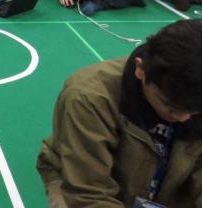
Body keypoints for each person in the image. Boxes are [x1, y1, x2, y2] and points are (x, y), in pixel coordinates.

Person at [38, 19, 202, 207]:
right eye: (170, 106)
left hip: (167, 186)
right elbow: (88, 192)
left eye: (194, 111)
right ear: (140, 69)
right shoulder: (89, 99)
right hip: (83, 183)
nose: (183, 118)